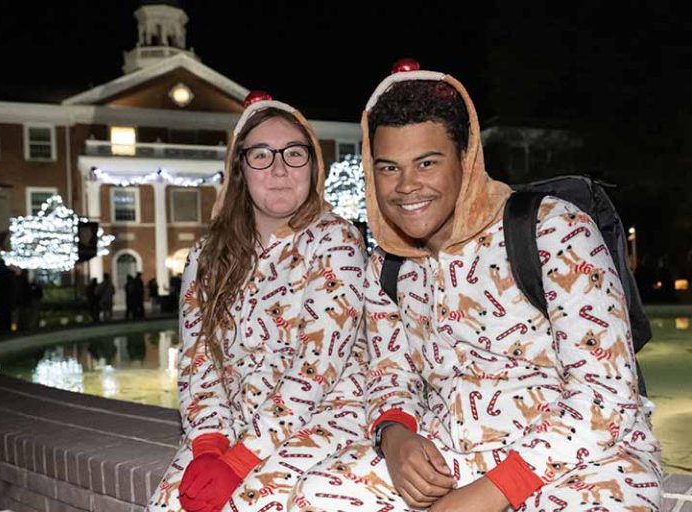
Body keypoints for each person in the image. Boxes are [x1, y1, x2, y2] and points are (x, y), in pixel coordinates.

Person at [296, 61, 662, 511]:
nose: (406, 186)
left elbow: (607, 397)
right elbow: (390, 375)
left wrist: (492, 492)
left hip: (583, 461)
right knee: (315, 496)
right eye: (389, 168)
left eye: (426, 162)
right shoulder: (387, 265)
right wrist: (394, 436)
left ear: (466, 158)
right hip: (453, 452)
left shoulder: (552, 229)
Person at [146, 91, 368, 512]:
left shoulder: (336, 241)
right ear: (240, 167)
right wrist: (210, 446)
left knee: (251, 502)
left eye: (294, 154)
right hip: (229, 424)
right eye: (261, 155)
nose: (280, 169)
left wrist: (241, 461)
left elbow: (317, 367)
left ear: (313, 164)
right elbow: (198, 361)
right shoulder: (207, 255)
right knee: (170, 503)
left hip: (322, 419)